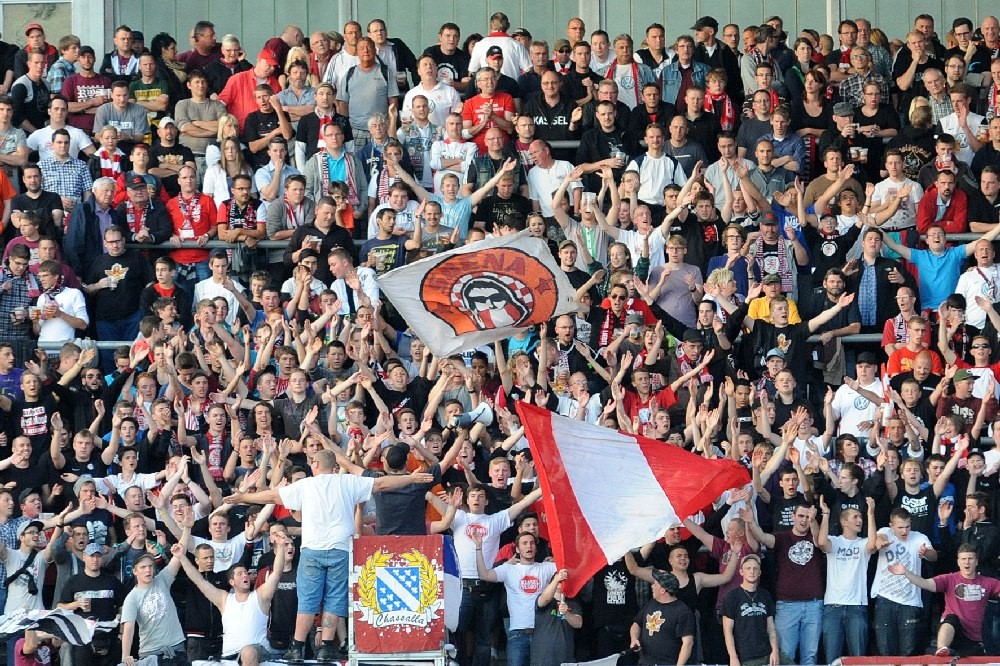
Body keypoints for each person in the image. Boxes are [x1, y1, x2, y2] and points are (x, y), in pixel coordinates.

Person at [224, 450, 433, 662]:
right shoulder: (348, 482)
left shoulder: (306, 485)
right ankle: (326, 647)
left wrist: (243, 497)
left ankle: (297, 647)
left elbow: (273, 496)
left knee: (308, 601)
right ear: (333, 466)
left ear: (315, 464)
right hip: (340, 549)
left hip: (312, 550)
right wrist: (411, 478)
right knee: (334, 600)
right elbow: (381, 484)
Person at [891, 543, 1000, 656]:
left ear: (976, 562)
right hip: (953, 632)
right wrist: (906, 573)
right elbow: (925, 583)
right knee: (951, 618)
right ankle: (942, 648)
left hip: (975, 638)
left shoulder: (988, 582)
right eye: (963, 559)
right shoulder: (949, 579)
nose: (967, 562)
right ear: (958, 562)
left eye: (970, 559)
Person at [721, 554, 780, 666]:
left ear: (759, 573)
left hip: (767, 653)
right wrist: (733, 657)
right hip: (746, 657)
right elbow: (727, 631)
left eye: (755, 568)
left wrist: (775, 651)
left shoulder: (765, 595)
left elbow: (771, 628)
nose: (752, 571)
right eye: (748, 568)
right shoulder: (731, 597)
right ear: (741, 572)